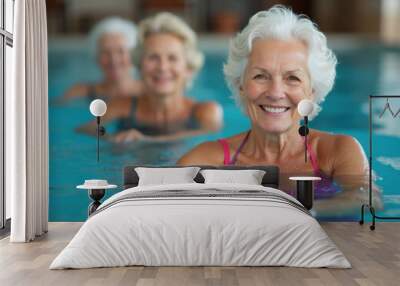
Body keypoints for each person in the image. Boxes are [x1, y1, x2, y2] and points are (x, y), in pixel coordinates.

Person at [177, 5, 381, 216]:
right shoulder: (207, 160)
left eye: (292, 78)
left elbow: (365, 199)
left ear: (311, 91)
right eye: (260, 76)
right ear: (241, 85)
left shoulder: (336, 152)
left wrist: (295, 213)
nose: (275, 92)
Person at [111, 12, 223, 143]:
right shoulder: (121, 108)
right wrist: (112, 140)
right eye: (153, 57)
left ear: (189, 69)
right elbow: (88, 135)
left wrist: (147, 140)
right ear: (139, 65)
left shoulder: (205, 112)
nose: (163, 67)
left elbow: (211, 138)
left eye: (172, 58)